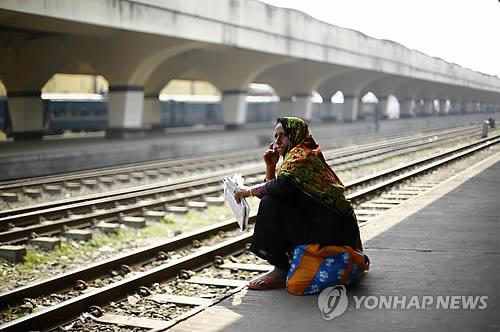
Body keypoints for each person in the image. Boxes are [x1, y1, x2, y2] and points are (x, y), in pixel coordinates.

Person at [234, 117, 363, 290]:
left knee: (269, 204)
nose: (277, 141)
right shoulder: (300, 155)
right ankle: (283, 266)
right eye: (275, 136)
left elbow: (280, 187)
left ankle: (280, 269)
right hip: (328, 226)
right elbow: (278, 191)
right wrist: (271, 166)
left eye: (283, 135)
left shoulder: (302, 156)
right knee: (271, 202)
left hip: (334, 231)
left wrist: (247, 191)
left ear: (295, 135)